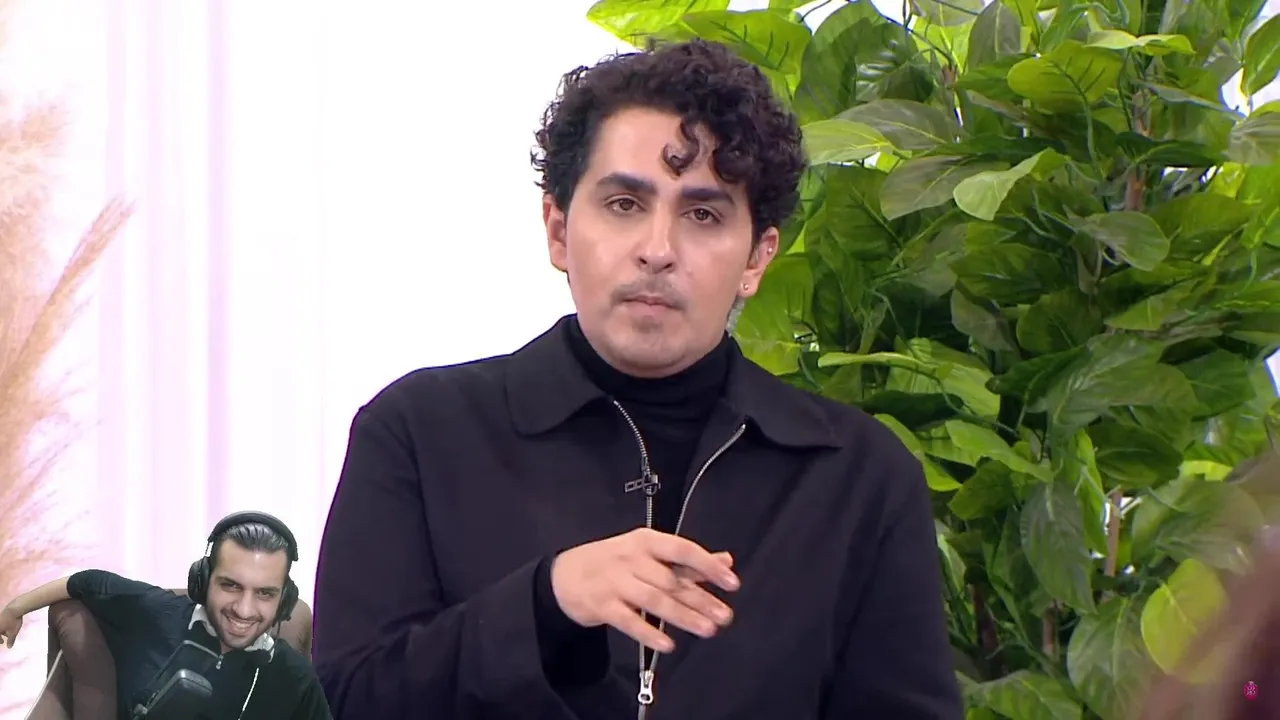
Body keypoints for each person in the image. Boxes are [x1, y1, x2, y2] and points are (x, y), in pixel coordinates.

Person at [312, 39, 962, 719]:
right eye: (624, 204)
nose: (658, 250)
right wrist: (548, 602)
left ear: (756, 258)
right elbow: (343, 699)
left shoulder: (857, 476)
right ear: (558, 229)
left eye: (703, 215)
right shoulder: (420, 433)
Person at [0, 511, 331, 720]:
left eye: (265, 593)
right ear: (202, 581)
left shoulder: (294, 677)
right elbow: (86, 582)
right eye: (230, 586)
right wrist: (15, 608)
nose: (244, 610)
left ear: (284, 600)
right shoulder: (151, 614)